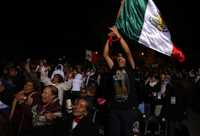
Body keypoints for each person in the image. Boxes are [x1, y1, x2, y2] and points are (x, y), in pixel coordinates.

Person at [103, 26, 140, 136]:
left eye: (122, 57)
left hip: (128, 110)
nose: (120, 58)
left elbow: (127, 51)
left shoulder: (131, 69)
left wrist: (118, 35)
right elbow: (105, 55)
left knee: (127, 133)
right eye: (118, 57)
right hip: (114, 109)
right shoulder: (114, 68)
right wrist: (109, 39)